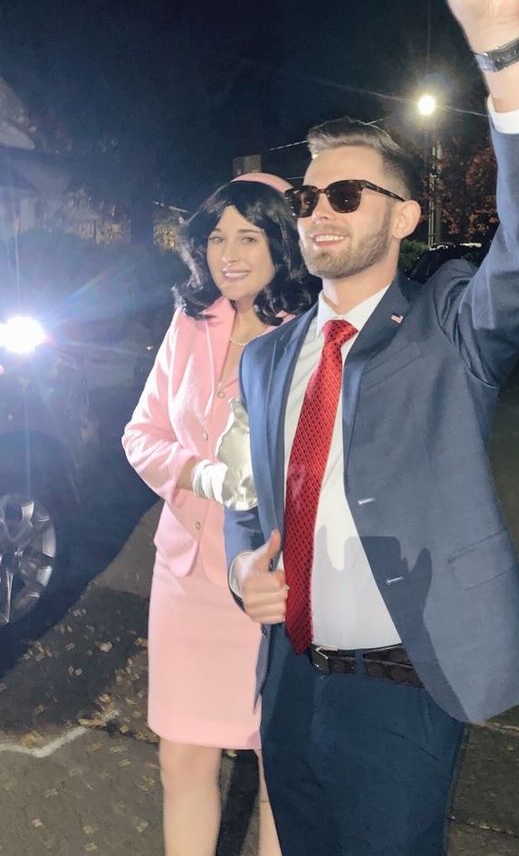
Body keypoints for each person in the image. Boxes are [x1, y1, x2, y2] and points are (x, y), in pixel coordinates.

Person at [224, 0, 519, 851]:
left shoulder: (450, 324)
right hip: (287, 680)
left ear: (404, 217)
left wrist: (503, 42)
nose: (316, 212)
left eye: (345, 192)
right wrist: (235, 562)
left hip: (400, 689)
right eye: (306, 196)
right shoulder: (266, 355)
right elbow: (246, 496)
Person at [122, 172, 316, 856]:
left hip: (274, 585)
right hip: (185, 578)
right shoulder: (192, 320)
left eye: (249, 236)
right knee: (181, 759)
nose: (227, 254)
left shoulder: (312, 335)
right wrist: (199, 472)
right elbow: (141, 433)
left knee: (278, 774)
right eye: (215, 237)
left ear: (283, 243)